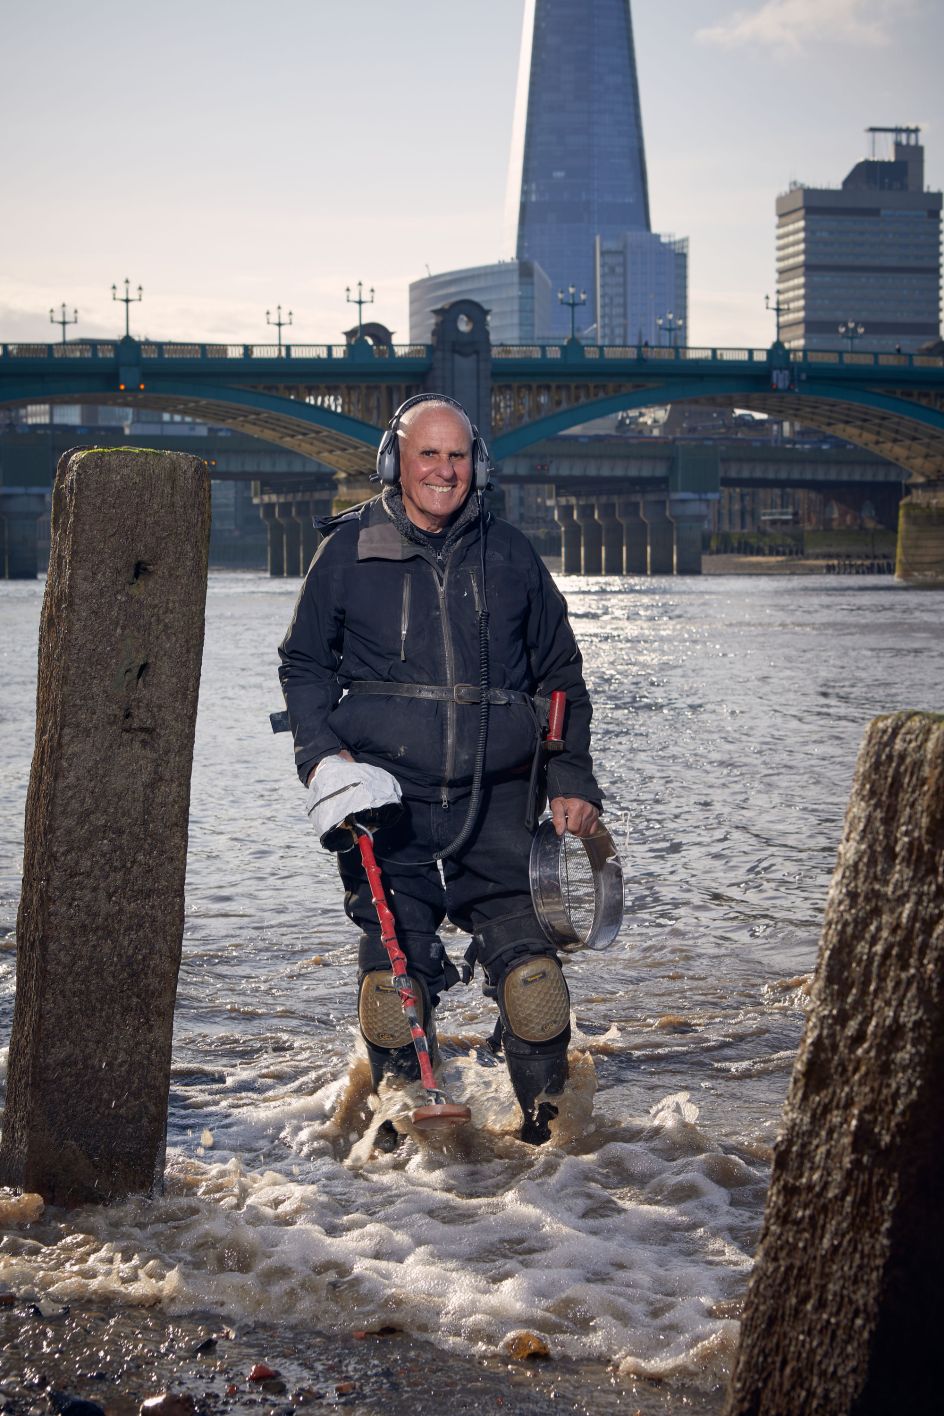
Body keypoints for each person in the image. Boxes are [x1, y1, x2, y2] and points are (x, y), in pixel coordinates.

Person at [278, 393, 602, 1145]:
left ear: (476, 467)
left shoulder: (512, 554)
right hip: (387, 806)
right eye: (429, 454)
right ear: (397, 462)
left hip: (499, 804)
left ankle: (550, 1151)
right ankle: (399, 1142)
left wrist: (572, 779)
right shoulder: (347, 551)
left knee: (535, 991)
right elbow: (303, 666)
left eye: (457, 456)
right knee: (393, 993)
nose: (443, 470)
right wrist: (322, 758)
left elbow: (561, 675)